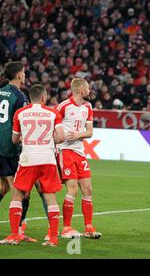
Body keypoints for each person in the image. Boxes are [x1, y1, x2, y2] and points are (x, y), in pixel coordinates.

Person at [0, 84, 65, 246]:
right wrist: (50, 140)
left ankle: (15, 235)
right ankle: (53, 238)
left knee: (17, 195)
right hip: (47, 160)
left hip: (28, 159)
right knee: (50, 196)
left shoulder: (20, 113)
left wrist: (24, 138)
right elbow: (61, 137)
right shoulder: (53, 113)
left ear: (29, 98)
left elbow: (14, 139)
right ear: (44, 98)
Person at [0, 61, 48, 242]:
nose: (25, 75)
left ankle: (19, 229)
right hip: (9, 149)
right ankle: (17, 232)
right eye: (24, 73)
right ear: (19, 75)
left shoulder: (0, 92)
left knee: (3, 187)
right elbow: (24, 126)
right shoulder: (20, 98)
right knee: (19, 191)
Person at [56, 78, 102, 239]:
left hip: (80, 152)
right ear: (81, 90)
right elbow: (53, 125)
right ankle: (66, 228)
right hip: (65, 151)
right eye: (88, 88)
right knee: (73, 189)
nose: (90, 91)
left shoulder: (88, 107)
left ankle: (88, 227)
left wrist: (78, 135)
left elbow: (90, 132)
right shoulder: (63, 106)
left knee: (88, 189)